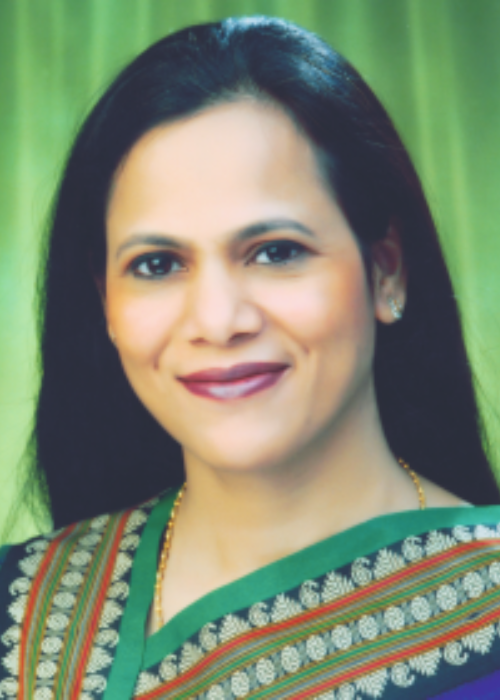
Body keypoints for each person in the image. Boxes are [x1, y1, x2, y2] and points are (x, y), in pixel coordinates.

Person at [1, 15, 500, 699]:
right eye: (157, 264)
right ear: (105, 303)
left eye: (275, 252)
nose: (217, 321)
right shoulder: (26, 621)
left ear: (386, 269)